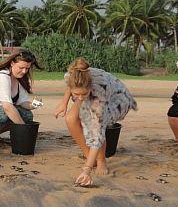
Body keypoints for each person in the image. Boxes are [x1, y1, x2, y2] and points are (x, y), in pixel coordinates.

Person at [53, 58, 137, 187]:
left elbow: (97, 133)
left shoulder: (99, 92)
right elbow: (71, 87)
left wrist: (86, 171)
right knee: (70, 118)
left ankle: (101, 160)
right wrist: (64, 103)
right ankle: (90, 157)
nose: (79, 98)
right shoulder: (72, 75)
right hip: (89, 93)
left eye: (83, 94)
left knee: (95, 126)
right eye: (77, 94)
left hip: (118, 99)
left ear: (89, 87)